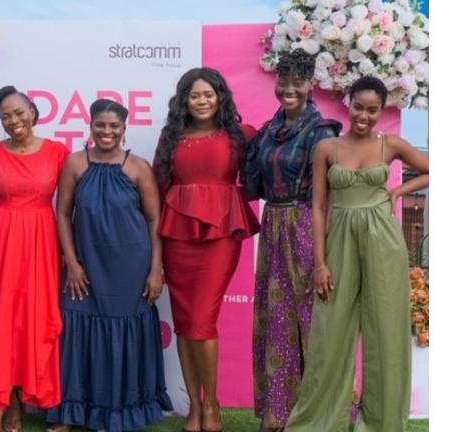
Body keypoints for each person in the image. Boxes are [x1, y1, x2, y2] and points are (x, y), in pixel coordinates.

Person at [286, 76, 429, 431]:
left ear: (381, 110)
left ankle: (381, 422)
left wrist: (398, 191)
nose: (364, 116)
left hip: (384, 241)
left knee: (386, 332)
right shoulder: (327, 148)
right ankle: (320, 421)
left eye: (372, 110)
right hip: (340, 242)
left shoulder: (390, 144)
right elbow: (319, 207)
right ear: (348, 104)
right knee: (330, 332)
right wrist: (320, 263)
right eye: (358, 107)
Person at [45, 99, 174, 432]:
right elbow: (62, 214)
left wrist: (156, 269)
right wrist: (72, 262)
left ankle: (117, 413)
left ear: (124, 129)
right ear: (90, 126)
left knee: (122, 331)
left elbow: (154, 220)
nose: (107, 131)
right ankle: (71, 412)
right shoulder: (75, 163)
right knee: (77, 331)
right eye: (100, 125)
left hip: (130, 267)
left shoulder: (139, 167)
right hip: (85, 264)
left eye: (114, 126)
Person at [153, 67, 259, 432]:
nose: (201, 101)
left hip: (220, 235)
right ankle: (194, 408)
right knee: (185, 323)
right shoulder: (171, 137)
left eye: (208, 94)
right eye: (194, 95)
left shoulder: (241, 135)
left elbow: (266, 172)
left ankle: (212, 404)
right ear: (184, 100)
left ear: (220, 98)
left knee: (201, 319)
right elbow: (158, 189)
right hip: (177, 236)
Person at [241, 49, 341, 431]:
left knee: (314, 320)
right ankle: (278, 416)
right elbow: (253, 186)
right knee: (278, 319)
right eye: (283, 81)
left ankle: (322, 413)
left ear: (310, 84)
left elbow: (329, 196)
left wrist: (324, 256)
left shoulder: (322, 132)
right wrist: (243, 143)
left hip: (307, 225)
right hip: (274, 224)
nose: (289, 89)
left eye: (297, 82)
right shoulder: (268, 130)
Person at [0, 85, 70, 432]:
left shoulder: (58, 152)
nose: (13, 120)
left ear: (33, 111)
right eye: (5, 117)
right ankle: (0, 403)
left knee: (33, 319)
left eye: (18, 112)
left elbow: (73, 201)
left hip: (41, 242)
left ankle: (22, 400)